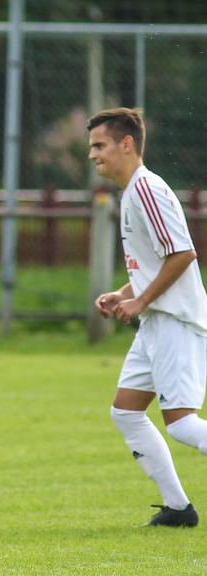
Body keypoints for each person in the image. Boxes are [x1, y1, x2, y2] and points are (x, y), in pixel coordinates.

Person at [89, 107, 207, 527]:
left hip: (175, 320)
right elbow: (155, 264)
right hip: (156, 321)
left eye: (99, 145)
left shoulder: (147, 190)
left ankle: (178, 508)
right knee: (125, 411)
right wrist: (123, 293)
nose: (93, 155)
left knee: (182, 425)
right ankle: (178, 508)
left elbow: (183, 253)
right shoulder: (131, 192)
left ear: (126, 144)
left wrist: (139, 302)